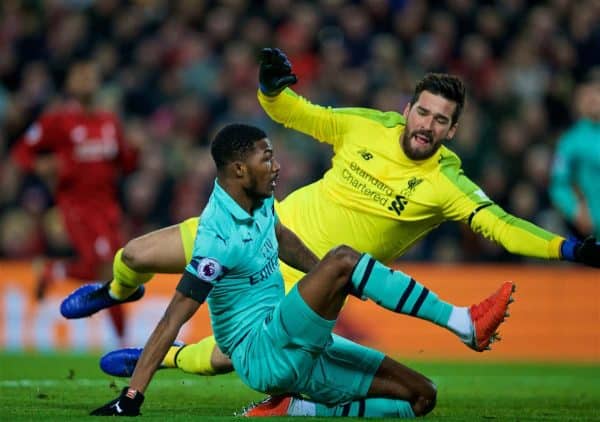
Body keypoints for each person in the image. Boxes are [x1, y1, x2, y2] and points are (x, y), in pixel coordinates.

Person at [61, 48, 599, 378]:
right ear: (409, 109)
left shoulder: (446, 184)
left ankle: (166, 358)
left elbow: (502, 225)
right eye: (424, 112)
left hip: (308, 275)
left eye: (441, 121)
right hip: (258, 228)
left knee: (232, 359)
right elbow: (296, 113)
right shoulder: (368, 125)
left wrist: (567, 247)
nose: (427, 126)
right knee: (134, 254)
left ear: (451, 131)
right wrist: (272, 87)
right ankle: (116, 291)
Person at [88, 123, 514, 417]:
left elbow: (284, 239)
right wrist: (132, 397)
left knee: (422, 398)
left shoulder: (257, 200)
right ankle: (464, 323)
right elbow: (171, 319)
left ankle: (300, 409)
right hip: (263, 354)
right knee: (344, 258)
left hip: (301, 347)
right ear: (239, 169)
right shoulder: (215, 241)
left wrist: (328, 277)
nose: (276, 166)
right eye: (266, 158)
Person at [10, 59, 140, 341]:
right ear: (69, 84)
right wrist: (41, 166)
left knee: (113, 269)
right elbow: (22, 152)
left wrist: (135, 150)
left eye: (90, 75)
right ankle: (123, 341)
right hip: (77, 206)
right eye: (80, 75)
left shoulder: (109, 121)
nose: (86, 80)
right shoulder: (57, 121)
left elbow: (126, 164)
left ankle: (55, 270)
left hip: (109, 207)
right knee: (108, 269)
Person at [550, 72, 600, 240]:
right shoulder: (571, 141)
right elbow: (558, 185)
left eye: (597, 92)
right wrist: (575, 210)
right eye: (588, 95)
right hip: (593, 232)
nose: (593, 99)